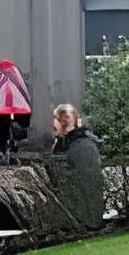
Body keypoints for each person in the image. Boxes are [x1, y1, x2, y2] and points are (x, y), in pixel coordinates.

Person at [46, 100, 104, 235]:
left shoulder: (81, 145)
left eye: (56, 121)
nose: (52, 125)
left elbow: (88, 180)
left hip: (85, 210)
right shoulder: (66, 142)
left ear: (63, 122)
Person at [0, 57, 31, 158]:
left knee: (2, 129)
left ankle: (4, 147)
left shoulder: (0, 78)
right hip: (13, 110)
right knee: (9, 128)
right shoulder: (14, 79)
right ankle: (11, 145)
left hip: (2, 112)